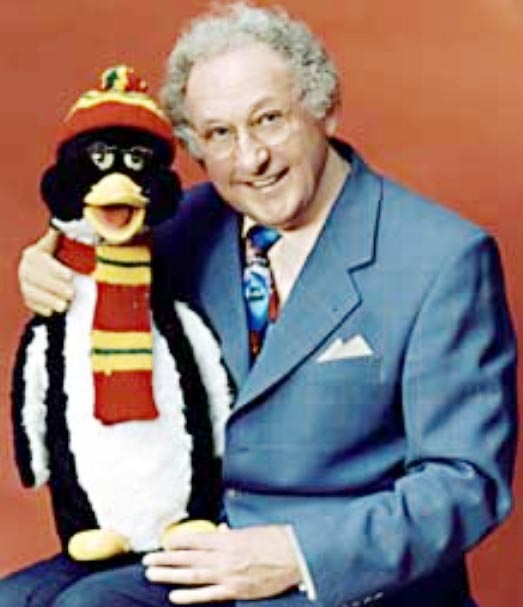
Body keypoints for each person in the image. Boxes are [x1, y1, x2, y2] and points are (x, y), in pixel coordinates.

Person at [6, 3, 517, 607]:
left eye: (269, 119)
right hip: (195, 542)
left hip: (341, 576)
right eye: (220, 134)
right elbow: (96, 254)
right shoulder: (182, 228)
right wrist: (47, 261)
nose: (251, 159)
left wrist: (297, 556)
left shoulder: (443, 258)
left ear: (324, 109)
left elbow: (465, 483)